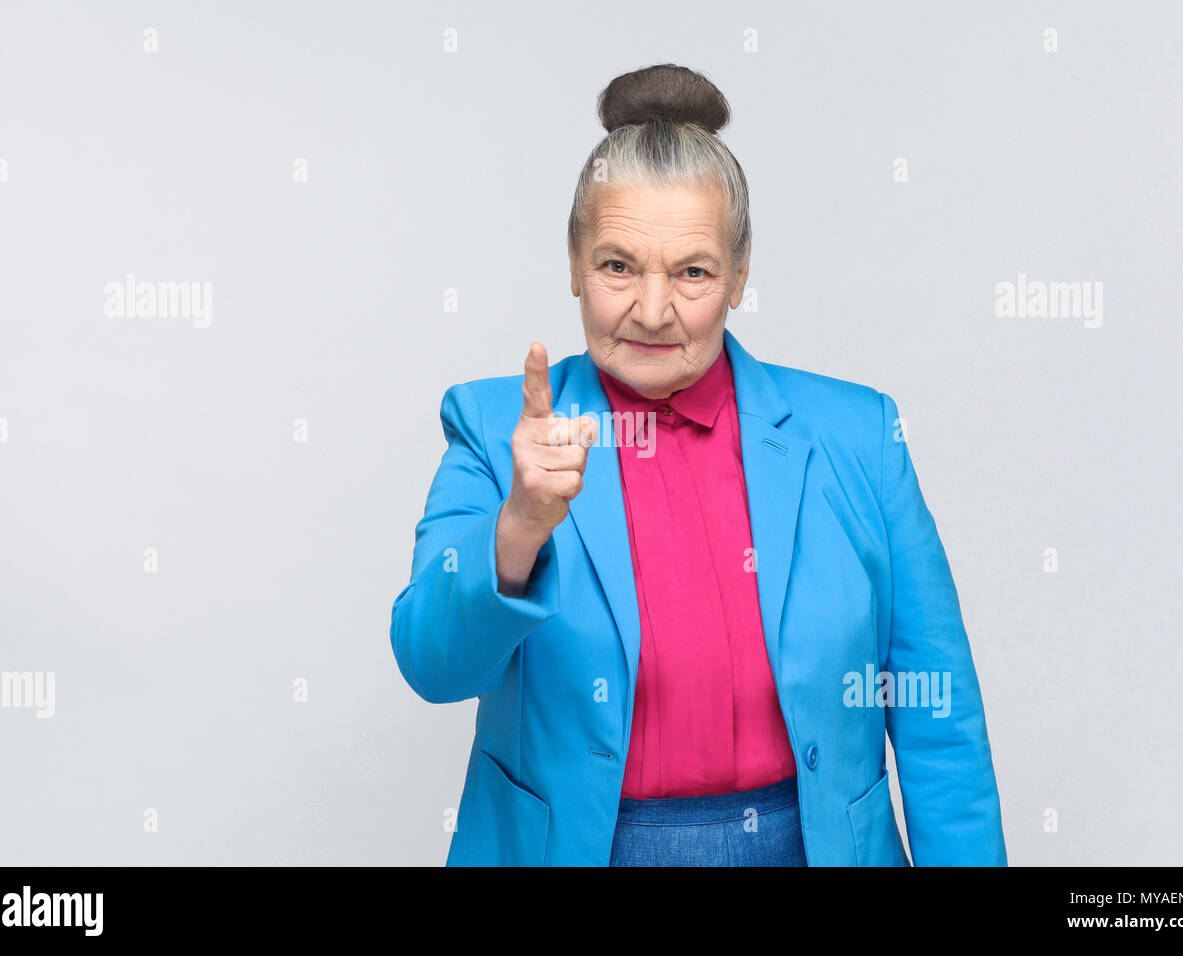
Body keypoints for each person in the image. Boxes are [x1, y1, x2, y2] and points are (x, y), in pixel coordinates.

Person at [390, 63, 1007, 866]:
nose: (651, 311)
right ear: (574, 264)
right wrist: (518, 530)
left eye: (692, 272)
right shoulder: (493, 425)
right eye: (617, 266)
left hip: (811, 845)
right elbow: (433, 666)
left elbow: (937, 716)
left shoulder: (858, 435)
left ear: (739, 277)